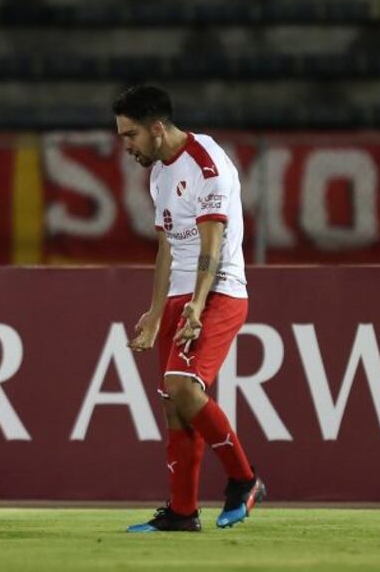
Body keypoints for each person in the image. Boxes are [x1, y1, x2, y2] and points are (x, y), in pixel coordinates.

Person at [114, 85, 266, 532]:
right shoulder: (159, 171)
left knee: (182, 385)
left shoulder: (207, 164)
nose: (126, 146)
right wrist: (158, 309)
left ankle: (244, 478)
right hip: (183, 295)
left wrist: (197, 306)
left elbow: (211, 246)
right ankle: (182, 511)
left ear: (157, 128)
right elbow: (166, 247)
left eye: (131, 135)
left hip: (219, 291)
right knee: (172, 403)